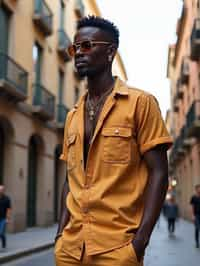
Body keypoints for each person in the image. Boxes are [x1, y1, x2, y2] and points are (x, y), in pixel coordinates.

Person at [54, 16, 172, 266]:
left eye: (87, 46)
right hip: (70, 251)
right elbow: (70, 179)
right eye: (75, 48)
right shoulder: (72, 116)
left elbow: (159, 173)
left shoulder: (141, 104)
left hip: (117, 250)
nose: (78, 53)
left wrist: (139, 243)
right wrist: (59, 234)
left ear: (110, 52)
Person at [190, 184, 200, 248]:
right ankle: (197, 242)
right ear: (196, 189)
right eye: (198, 188)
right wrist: (193, 215)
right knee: (197, 228)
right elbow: (192, 207)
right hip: (196, 215)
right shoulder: (193, 197)